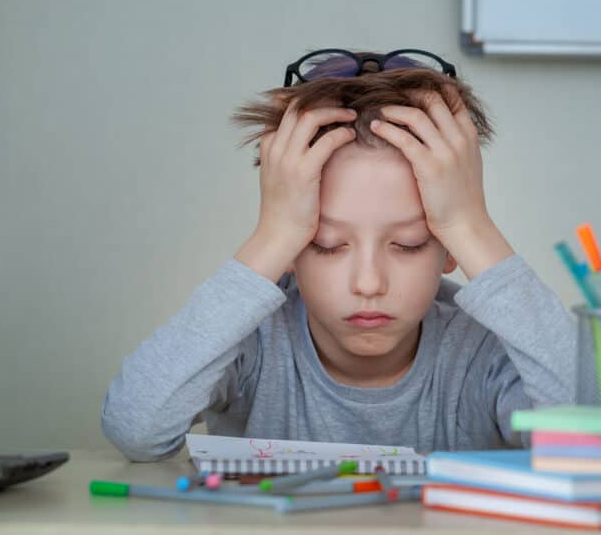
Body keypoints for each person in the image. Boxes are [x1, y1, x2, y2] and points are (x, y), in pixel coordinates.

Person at [101, 48, 575, 461]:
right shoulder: (252, 344)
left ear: (450, 249)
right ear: (289, 248)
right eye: (326, 244)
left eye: (408, 244)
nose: (368, 283)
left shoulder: (485, 354)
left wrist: (472, 226)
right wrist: (274, 234)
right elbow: (135, 430)